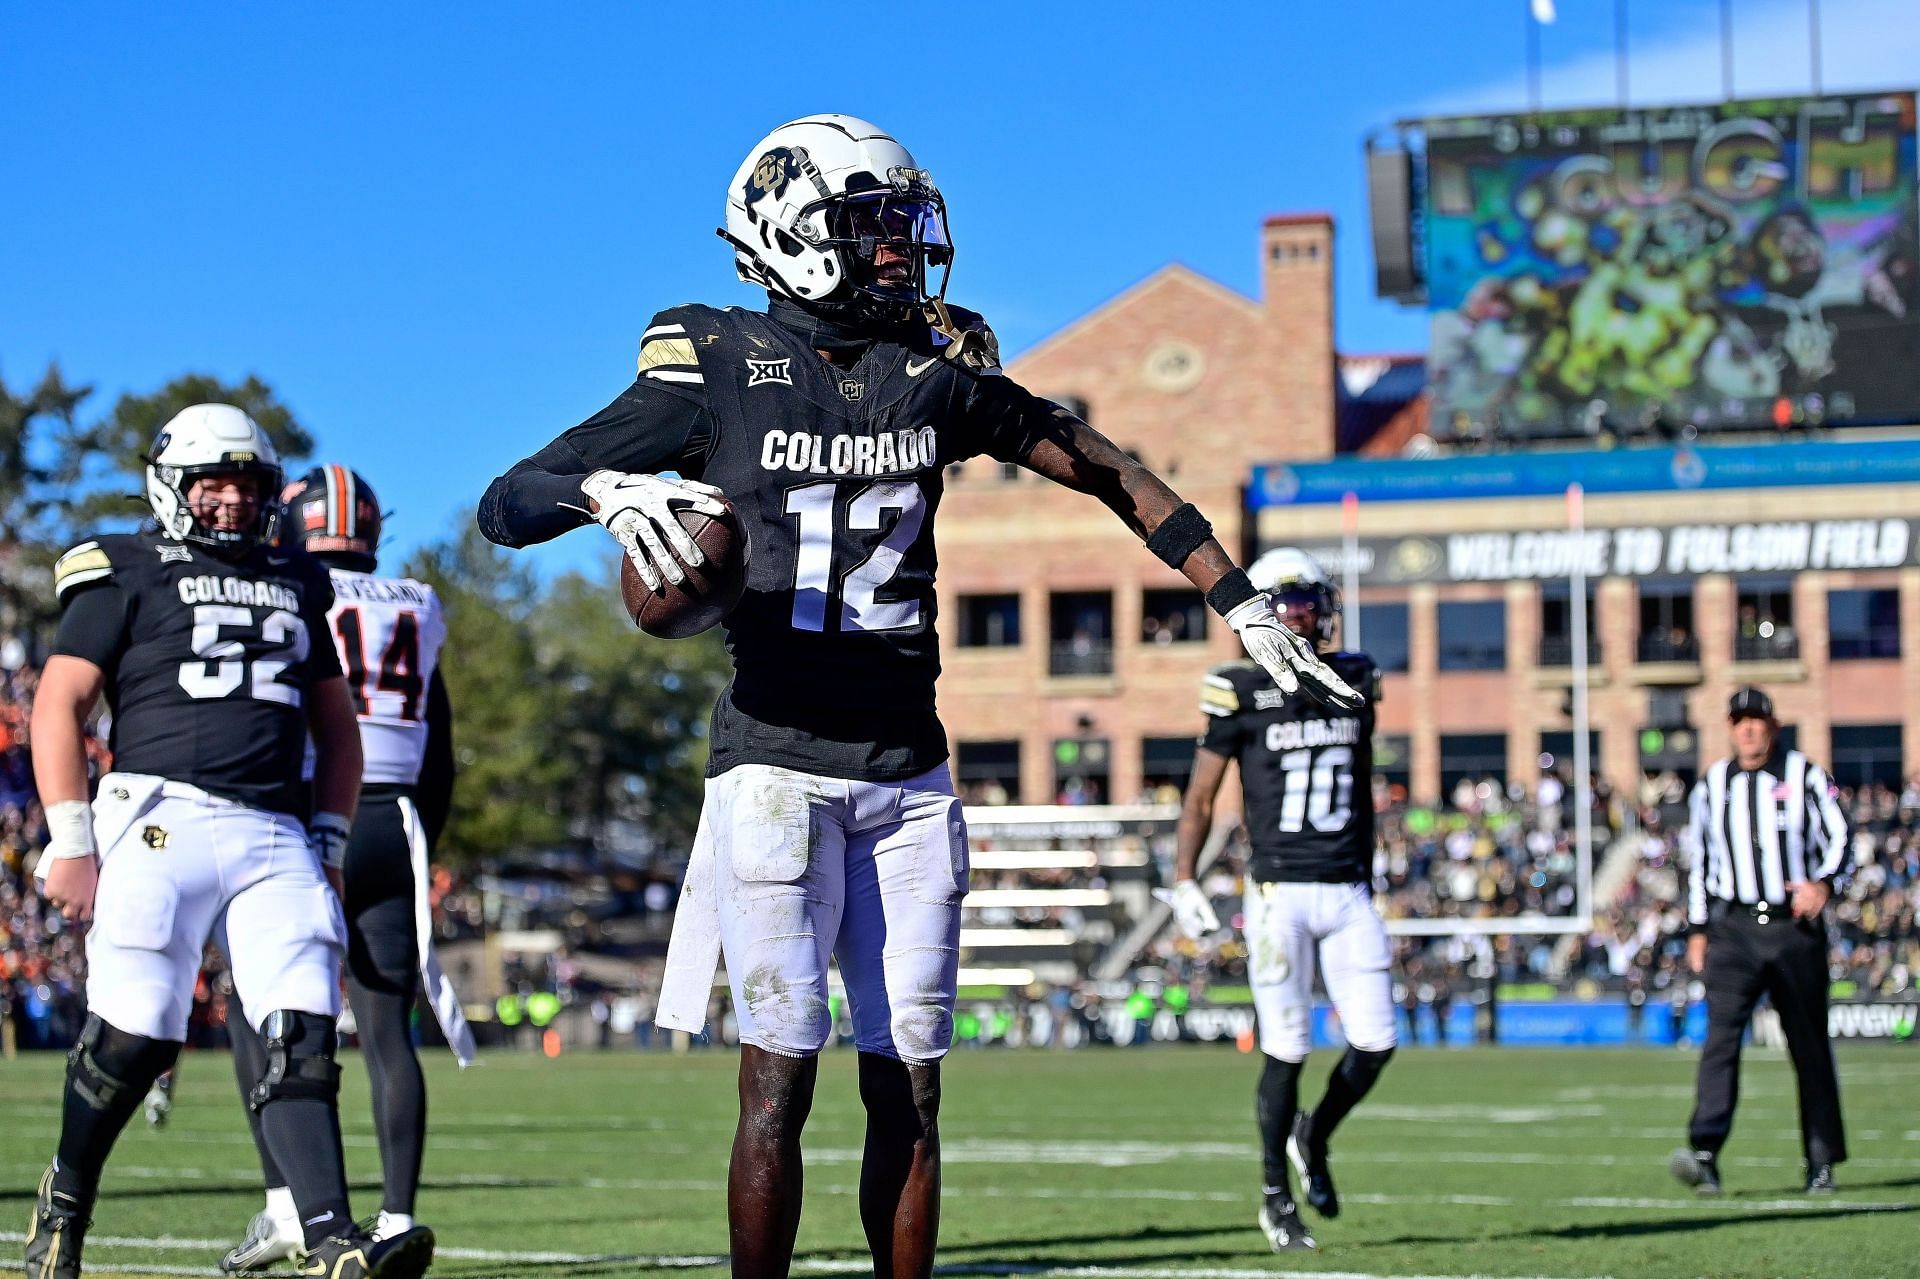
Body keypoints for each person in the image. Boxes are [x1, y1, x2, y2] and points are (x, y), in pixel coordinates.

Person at [476, 115, 1361, 1279]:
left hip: (909, 775)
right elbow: (507, 499)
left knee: (912, 1092)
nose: (902, 247)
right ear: (793, 232)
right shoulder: (718, 362)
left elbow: (1100, 463)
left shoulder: (929, 378)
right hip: (776, 767)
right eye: (873, 224)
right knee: (778, 1082)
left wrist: (1233, 593)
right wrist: (605, 490)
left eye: (905, 224)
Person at [25, 405, 434, 1279]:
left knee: (300, 1029)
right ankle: (66, 1195)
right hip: (155, 812)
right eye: (212, 484)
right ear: (171, 486)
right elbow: (58, 702)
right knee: (137, 1033)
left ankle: (329, 1235)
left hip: (272, 827)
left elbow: (339, 725)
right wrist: (68, 838)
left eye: (247, 485)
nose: (231, 502)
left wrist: (326, 835)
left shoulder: (297, 578)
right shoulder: (123, 566)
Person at [220, 466, 467, 1272]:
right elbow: (442, 744)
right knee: (388, 1029)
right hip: (395, 815)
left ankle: (289, 1206)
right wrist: (418, 841)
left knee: (262, 1009)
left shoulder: (283, 584)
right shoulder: (418, 601)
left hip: (310, 809)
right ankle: (396, 1216)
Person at [1166, 548, 1394, 1253]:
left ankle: (1313, 1134)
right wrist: (1183, 877)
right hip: (1278, 893)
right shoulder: (1237, 688)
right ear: (1261, 609)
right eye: (1292, 599)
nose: (1308, 611)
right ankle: (1275, 1194)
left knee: (1378, 1039)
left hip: (1349, 885)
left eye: (1312, 599)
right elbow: (1201, 795)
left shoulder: (1354, 673)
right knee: (1287, 1048)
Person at [1670, 686, 1851, 1196]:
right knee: (1720, 1039)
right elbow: (1700, 861)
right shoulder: (1712, 786)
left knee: (1809, 1044)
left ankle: (1820, 1159)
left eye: (1756, 720)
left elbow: (1843, 835)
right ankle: (1705, 1151)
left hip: (1795, 929)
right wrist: (1699, 929)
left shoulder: (1807, 777)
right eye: (1739, 721)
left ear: (1773, 726)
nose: (1748, 729)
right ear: (1729, 728)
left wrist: (1824, 884)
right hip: (1734, 930)